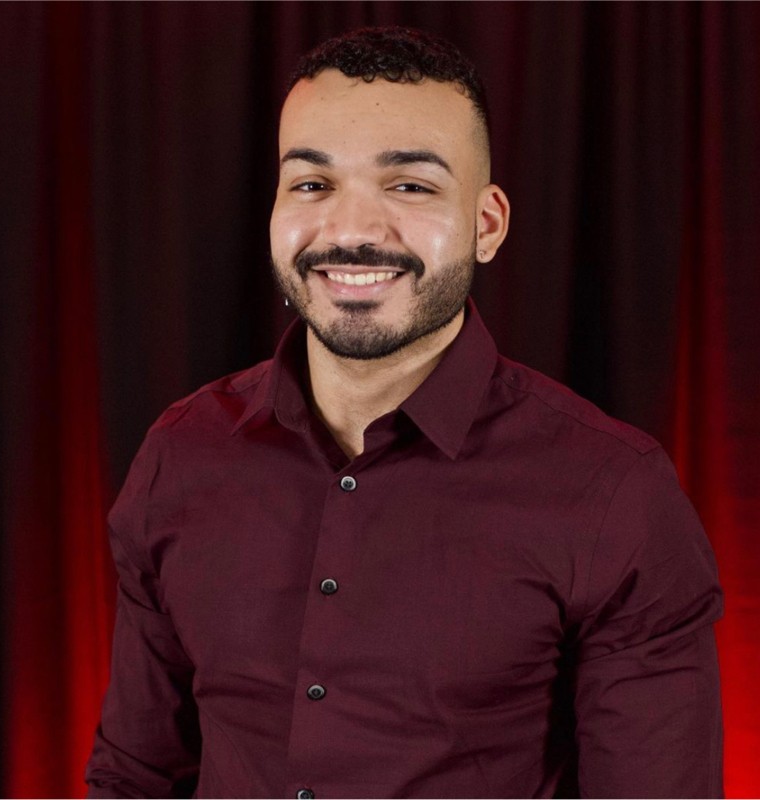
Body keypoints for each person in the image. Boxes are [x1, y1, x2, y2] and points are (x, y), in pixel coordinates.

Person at [86, 27, 723, 799]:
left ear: (487, 225)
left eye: (410, 186)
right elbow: (135, 778)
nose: (352, 231)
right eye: (312, 184)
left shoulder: (614, 492)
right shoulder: (182, 452)